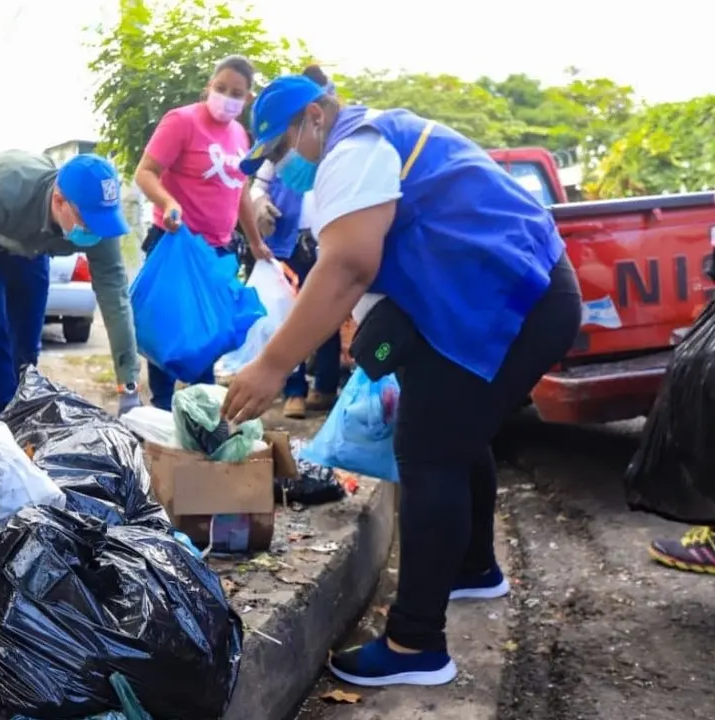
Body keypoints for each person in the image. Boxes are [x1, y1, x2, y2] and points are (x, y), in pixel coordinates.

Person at [224, 75, 582, 687]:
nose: (285, 166)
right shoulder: (376, 136)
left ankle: (417, 645)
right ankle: (473, 567)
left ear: (314, 117)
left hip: (512, 302)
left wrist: (273, 365)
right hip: (517, 296)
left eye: (282, 149)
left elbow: (348, 266)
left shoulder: (354, 149)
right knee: (454, 435)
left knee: (429, 452)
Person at [0, 151, 142, 418]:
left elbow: (115, 297)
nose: (96, 231)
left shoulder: (98, 220)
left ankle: (23, 417)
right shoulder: (1, 188)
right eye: (87, 223)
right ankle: (4, 423)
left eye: (101, 223)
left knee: (26, 344)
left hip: (30, 244)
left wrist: (128, 386)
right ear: (59, 201)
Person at [133, 55, 272, 411]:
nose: (227, 96)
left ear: (247, 98)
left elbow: (239, 191)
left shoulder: (240, 134)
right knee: (168, 331)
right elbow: (146, 172)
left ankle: (202, 412)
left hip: (217, 252)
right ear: (208, 86)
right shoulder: (181, 121)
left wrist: (255, 241)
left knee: (208, 335)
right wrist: (168, 203)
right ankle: (162, 412)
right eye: (221, 88)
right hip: (176, 243)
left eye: (236, 92)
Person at [250, 64, 341, 419]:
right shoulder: (288, 145)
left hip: (329, 242)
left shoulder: (339, 150)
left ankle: (326, 388)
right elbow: (258, 182)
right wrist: (260, 203)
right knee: (291, 316)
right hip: (290, 242)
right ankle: (294, 390)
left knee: (328, 313)